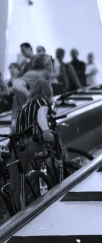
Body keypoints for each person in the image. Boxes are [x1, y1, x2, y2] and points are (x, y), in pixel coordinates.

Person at [11, 78, 55, 209]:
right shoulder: (41, 101)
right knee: (34, 181)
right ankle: (34, 211)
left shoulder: (24, 107)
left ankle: (16, 211)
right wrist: (46, 131)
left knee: (20, 182)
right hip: (33, 143)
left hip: (19, 147)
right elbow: (41, 116)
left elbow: (14, 127)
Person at [10, 53, 55, 128]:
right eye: (51, 64)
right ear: (48, 66)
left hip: (31, 123)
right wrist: (32, 100)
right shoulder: (34, 75)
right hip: (24, 125)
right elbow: (16, 86)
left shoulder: (44, 79)